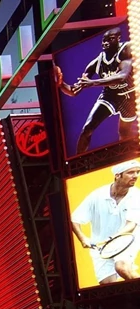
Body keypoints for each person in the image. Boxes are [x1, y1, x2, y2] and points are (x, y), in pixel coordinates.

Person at [58, 27, 137, 155]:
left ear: (118, 39)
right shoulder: (96, 63)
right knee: (87, 128)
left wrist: (93, 83)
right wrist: (60, 83)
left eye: (110, 39)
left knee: (124, 133)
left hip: (129, 95)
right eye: (104, 40)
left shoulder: (126, 50)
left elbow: (122, 77)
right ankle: (80, 162)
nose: (106, 43)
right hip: (110, 95)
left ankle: (126, 158)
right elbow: (73, 91)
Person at [70, 159, 140, 284]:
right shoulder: (96, 195)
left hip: (127, 239)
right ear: (118, 175)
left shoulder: (136, 195)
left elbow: (131, 225)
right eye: (131, 172)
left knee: (122, 268)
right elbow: (74, 219)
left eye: (138, 172)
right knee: (108, 285)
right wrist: (82, 238)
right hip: (101, 247)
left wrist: (113, 237)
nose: (136, 176)